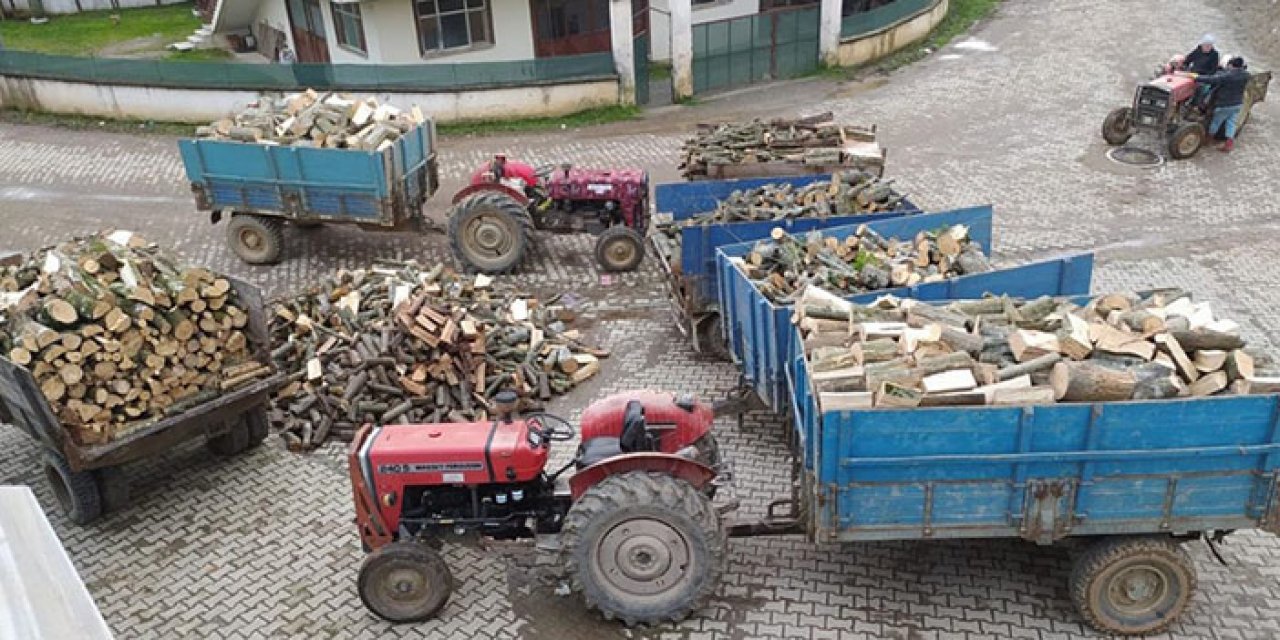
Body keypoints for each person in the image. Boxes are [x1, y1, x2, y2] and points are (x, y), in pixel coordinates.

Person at [1194, 56, 1251, 152]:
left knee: (1215, 122)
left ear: (1231, 65)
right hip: (1237, 104)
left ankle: (1208, 140)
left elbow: (1212, 79)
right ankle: (1228, 144)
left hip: (1224, 104)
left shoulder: (1227, 76)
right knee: (1231, 124)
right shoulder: (1246, 75)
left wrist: (1196, 77)